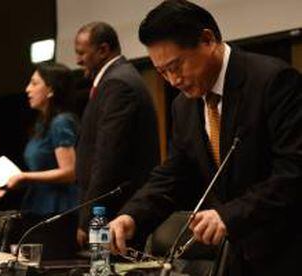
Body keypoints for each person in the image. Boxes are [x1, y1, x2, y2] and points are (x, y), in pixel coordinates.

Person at [109, 1, 302, 275]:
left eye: (176, 66)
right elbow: (176, 174)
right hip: (238, 256)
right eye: (162, 72)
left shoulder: (273, 81)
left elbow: (293, 172)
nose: (173, 80)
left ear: (207, 40)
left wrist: (229, 215)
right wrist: (132, 215)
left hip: (287, 252)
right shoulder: (184, 105)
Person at [74, 22, 160, 246]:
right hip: (109, 209)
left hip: (112, 212)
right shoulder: (114, 80)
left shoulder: (117, 83)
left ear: (103, 50)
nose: (78, 60)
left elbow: (108, 159)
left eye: (82, 53)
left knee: (105, 269)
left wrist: (90, 218)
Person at [0, 62, 79, 217]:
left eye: (34, 83)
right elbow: (41, 174)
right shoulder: (42, 124)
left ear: (51, 90)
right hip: (38, 204)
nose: (28, 89)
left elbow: (70, 172)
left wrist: (24, 176)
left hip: (58, 207)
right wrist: (6, 185)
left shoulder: (61, 122)